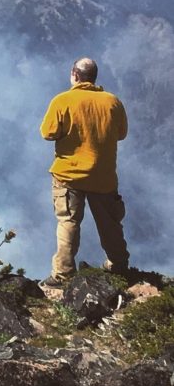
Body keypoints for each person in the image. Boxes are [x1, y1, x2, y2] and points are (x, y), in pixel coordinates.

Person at [40, 57, 129, 288]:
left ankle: (62, 274)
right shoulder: (113, 102)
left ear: (74, 74)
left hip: (69, 175)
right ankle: (119, 266)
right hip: (104, 175)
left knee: (68, 222)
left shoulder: (63, 100)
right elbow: (121, 133)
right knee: (110, 223)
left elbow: (47, 133)